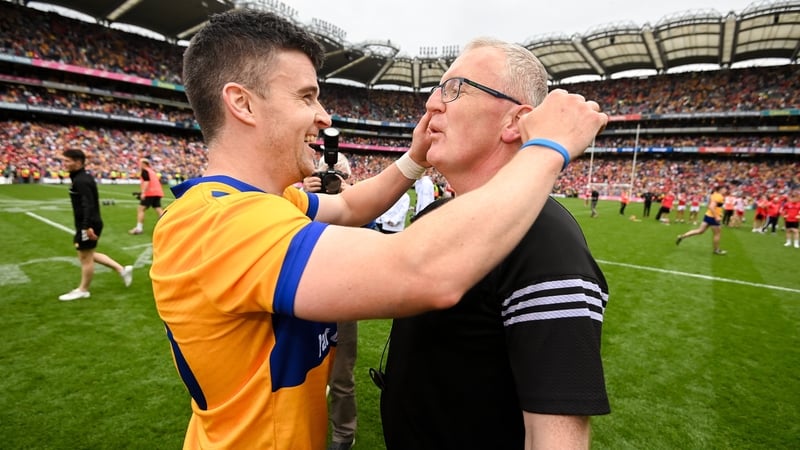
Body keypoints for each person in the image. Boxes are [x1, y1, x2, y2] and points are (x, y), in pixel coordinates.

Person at [149, 9, 606, 450]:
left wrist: (414, 159)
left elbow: (348, 205)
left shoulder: (267, 203)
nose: (325, 116)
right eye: (307, 97)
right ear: (242, 103)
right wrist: (548, 149)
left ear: (513, 119)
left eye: (454, 89)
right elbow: (420, 269)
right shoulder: (219, 224)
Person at [379, 38, 610, 450]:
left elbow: (555, 438)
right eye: (435, 89)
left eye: (455, 89)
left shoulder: (545, 240)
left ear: (513, 123)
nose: (432, 104)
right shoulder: (438, 215)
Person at [302, 154, 360, 450]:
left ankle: (343, 434)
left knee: (341, 375)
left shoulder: (356, 202)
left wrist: (348, 195)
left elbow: (367, 234)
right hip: (304, 298)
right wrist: (304, 196)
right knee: (301, 371)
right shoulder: (302, 202)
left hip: (342, 298)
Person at [59, 149, 133, 301]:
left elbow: (88, 204)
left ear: (78, 162)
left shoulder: (81, 180)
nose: (64, 164)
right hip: (88, 224)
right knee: (88, 254)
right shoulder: (80, 177)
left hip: (88, 224)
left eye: (67, 161)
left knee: (85, 257)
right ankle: (122, 270)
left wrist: (86, 226)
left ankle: (83, 290)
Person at [676, 184, 728, 255]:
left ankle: (682, 236)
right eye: (725, 188)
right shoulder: (719, 196)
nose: (726, 190)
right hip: (713, 217)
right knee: (717, 234)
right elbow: (711, 206)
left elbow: (709, 205)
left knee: (700, 231)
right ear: (721, 189)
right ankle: (716, 250)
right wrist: (716, 216)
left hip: (708, 215)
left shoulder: (714, 194)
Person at [128, 158, 164, 235]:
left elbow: (146, 181)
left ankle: (139, 228)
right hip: (157, 192)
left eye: (140, 164)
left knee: (141, 209)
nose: (139, 165)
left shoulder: (145, 171)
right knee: (158, 209)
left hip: (150, 193)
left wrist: (143, 193)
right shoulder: (152, 171)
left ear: (144, 164)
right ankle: (167, 225)